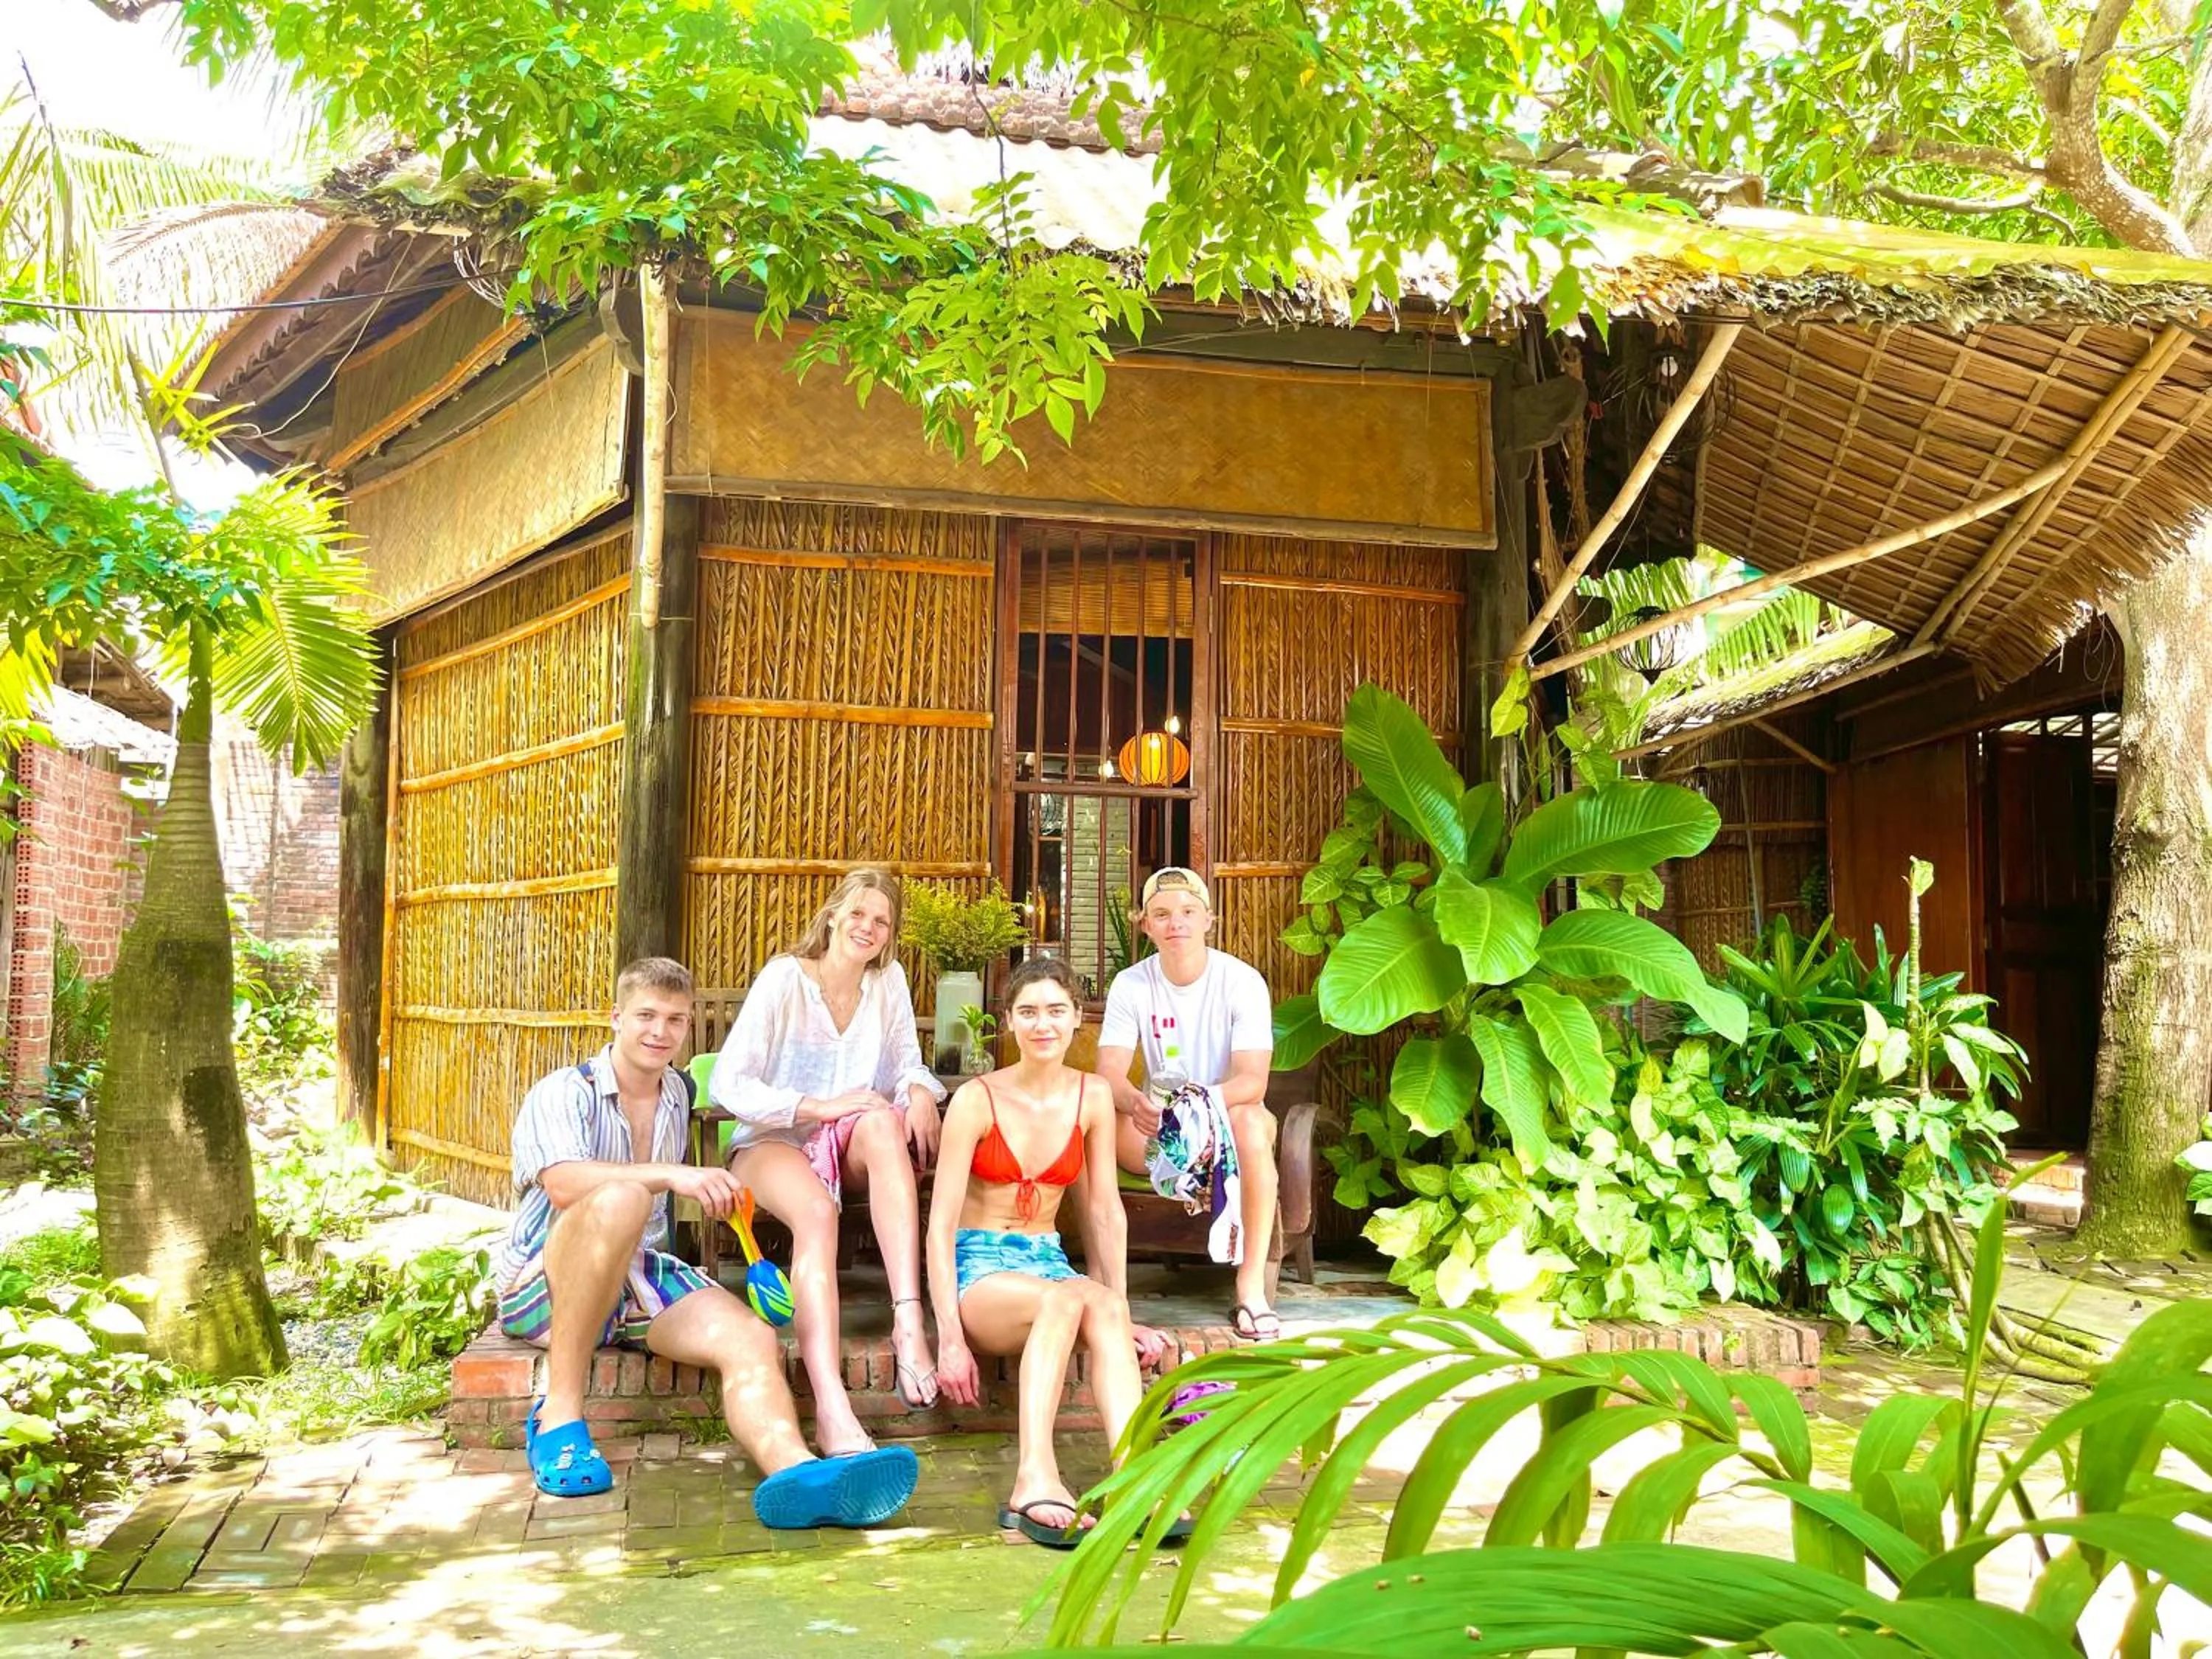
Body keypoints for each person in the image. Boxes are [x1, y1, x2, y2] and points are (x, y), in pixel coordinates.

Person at [495, 955, 918, 1524]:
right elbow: (565, 1184)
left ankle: (797, 1474)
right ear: (615, 1017)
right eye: (646, 1016)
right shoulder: (564, 1090)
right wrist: (674, 1175)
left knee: (751, 1336)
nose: (659, 1032)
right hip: (545, 1281)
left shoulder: (675, 1090)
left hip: (638, 1278)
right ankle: (559, 1417)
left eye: (674, 1020)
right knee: (625, 1198)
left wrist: (728, 1201)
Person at [927, 956, 1180, 1548]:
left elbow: (1101, 1210)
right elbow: (938, 1228)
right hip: (981, 1268)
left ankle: (1132, 1477)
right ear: (1010, 1022)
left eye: (1056, 1011)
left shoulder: (1092, 1095)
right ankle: (1032, 1479)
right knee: (1068, 1300)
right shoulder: (976, 1100)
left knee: (1103, 1305)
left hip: (1048, 1264)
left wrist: (1116, 1312)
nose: (1044, 1024)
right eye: (1029, 1012)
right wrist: (948, 1339)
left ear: (1076, 1020)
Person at [709, 869, 946, 1459]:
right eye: (859, 913)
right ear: (834, 914)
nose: (868, 927)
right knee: (816, 1212)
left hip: (848, 1137)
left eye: (882, 921)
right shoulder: (784, 979)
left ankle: (909, 1323)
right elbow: (729, 1083)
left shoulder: (888, 983)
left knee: (886, 1124)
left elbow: (904, 1065)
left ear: (891, 936)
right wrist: (818, 1105)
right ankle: (831, 1406)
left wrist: (918, 1091)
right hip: (773, 1138)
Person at [1097, 866, 1282, 1340]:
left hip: (1226, 1122)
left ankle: (1250, 1290)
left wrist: (1194, 1110)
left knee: (1252, 1127)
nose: (1175, 922)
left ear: (1208, 920)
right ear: (1145, 925)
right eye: (1161, 914)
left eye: (1186, 911)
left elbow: (1252, 1083)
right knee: (1093, 1117)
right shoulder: (1131, 985)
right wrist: (1133, 1101)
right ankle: (1107, 1291)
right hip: (1161, 1133)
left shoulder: (1241, 982)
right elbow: (1110, 1074)